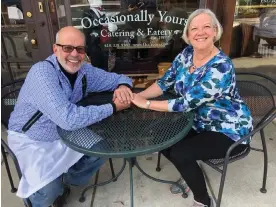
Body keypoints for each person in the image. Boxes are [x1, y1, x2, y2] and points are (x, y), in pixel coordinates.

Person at [131, 9, 253, 207]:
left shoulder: (221, 66)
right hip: (196, 121)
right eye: (194, 28)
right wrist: (138, 96)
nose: (200, 32)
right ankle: (190, 175)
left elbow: (185, 103)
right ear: (187, 35)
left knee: (181, 153)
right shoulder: (186, 54)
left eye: (207, 27)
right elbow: (164, 83)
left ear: (215, 31)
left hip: (228, 129)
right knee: (159, 137)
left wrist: (145, 104)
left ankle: (203, 200)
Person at [8, 26, 133, 207]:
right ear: (55, 49)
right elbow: (68, 119)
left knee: (100, 150)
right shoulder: (42, 72)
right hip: (32, 138)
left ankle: (68, 180)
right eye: (67, 48)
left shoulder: (84, 71)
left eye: (80, 49)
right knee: (48, 191)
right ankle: (44, 195)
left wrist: (123, 86)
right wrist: (113, 107)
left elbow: (118, 78)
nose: (74, 54)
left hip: (65, 132)